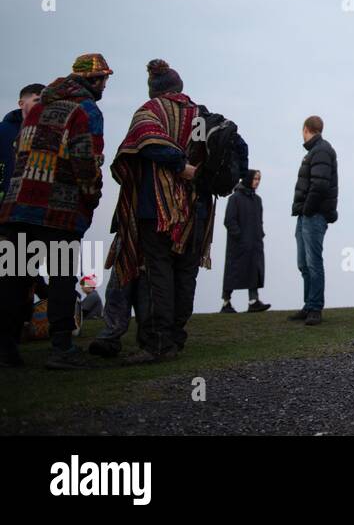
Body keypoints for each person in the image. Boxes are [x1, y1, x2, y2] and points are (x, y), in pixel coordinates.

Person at [1, 54, 111, 369]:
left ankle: (6, 349)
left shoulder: (36, 110)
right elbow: (86, 159)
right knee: (62, 277)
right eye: (104, 80)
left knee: (14, 279)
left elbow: (20, 153)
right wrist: (91, 196)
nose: (105, 86)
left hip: (17, 208)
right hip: (59, 212)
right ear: (94, 81)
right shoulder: (85, 110)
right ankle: (61, 348)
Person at [105, 60, 208, 365]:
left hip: (157, 209)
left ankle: (159, 342)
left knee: (158, 273)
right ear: (179, 87)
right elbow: (227, 146)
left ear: (156, 89)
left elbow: (145, 141)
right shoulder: (201, 114)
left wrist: (177, 165)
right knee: (186, 272)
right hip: (196, 208)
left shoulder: (149, 111)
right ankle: (176, 335)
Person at [288, 115, 338, 326]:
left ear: (306, 129)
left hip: (313, 215)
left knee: (313, 262)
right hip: (306, 214)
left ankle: (315, 307)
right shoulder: (316, 151)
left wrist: (307, 209)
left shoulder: (321, 151)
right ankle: (309, 304)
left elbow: (319, 185)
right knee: (304, 263)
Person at [221, 170, 269, 313]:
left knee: (254, 270)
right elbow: (229, 221)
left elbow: (259, 221)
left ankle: (253, 301)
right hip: (238, 244)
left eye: (259, 179)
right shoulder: (235, 198)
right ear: (248, 179)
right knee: (233, 272)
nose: (257, 182)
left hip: (255, 243)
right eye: (255, 179)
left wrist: (260, 235)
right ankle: (226, 302)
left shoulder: (257, 200)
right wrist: (239, 237)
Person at [0, 84, 44, 205]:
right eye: (37, 100)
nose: (41, 105)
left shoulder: (48, 135)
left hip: (30, 207)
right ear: (21, 103)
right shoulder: (3, 131)